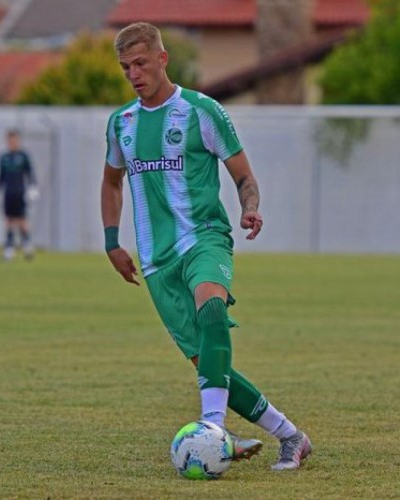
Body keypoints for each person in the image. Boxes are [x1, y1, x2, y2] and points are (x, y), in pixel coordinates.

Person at [101, 22, 312, 471]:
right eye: (125, 67)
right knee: (210, 366)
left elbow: (244, 176)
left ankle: (212, 427)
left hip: (204, 237)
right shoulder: (121, 123)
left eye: (140, 63)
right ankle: (290, 436)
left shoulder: (201, 111)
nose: (133, 74)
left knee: (211, 308)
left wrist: (250, 207)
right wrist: (111, 241)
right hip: (156, 261)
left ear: (162, 59)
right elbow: (111, 182)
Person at [0, 128, 38, 261]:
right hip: (8, 193)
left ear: (18, 141)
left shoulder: (23, 156)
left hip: (20, 192)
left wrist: (32, 188)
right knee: (9, 221)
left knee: (22, 220)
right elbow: (0, 177)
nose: (12, 143)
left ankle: (27, 246)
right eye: (10, 140)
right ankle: (9, 248)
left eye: (14, 140)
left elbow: (30, 173)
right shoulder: (4, 158)